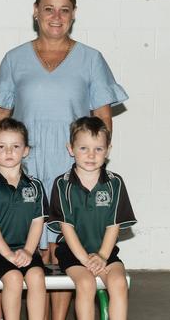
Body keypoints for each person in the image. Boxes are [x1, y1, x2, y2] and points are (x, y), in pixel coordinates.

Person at [0, 0, 128, 319]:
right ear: (35, 11)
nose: (56, 16)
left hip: (71, 165)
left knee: (62, 251)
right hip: (25, 166)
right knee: (34, 251)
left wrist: (93, 163)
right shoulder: (14, 58)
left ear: (74, 14)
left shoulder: (91, 59)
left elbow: (103, 119)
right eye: (49, 8)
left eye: (64, 9)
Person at [48, 117, 136, 320]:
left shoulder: (115, 183)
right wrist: (84, 259)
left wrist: (103, 256)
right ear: (71, 149)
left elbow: (114, 225)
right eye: (83, 148)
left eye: (98, 149)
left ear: (108, 150)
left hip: (104, 251)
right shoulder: (62, 184)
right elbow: (66, 227)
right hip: (73, 253)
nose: (91, 155)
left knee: (118, 283)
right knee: (86, 284)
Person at [0, 118, 47, 320]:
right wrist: (8, 255)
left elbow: (37, 222)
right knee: (14, 278)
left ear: (26, 150)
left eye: (15, 146)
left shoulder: (35, 186)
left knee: (37, 276)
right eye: (1, 146)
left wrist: (28, 251)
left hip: (26, 250)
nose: (8, 152)